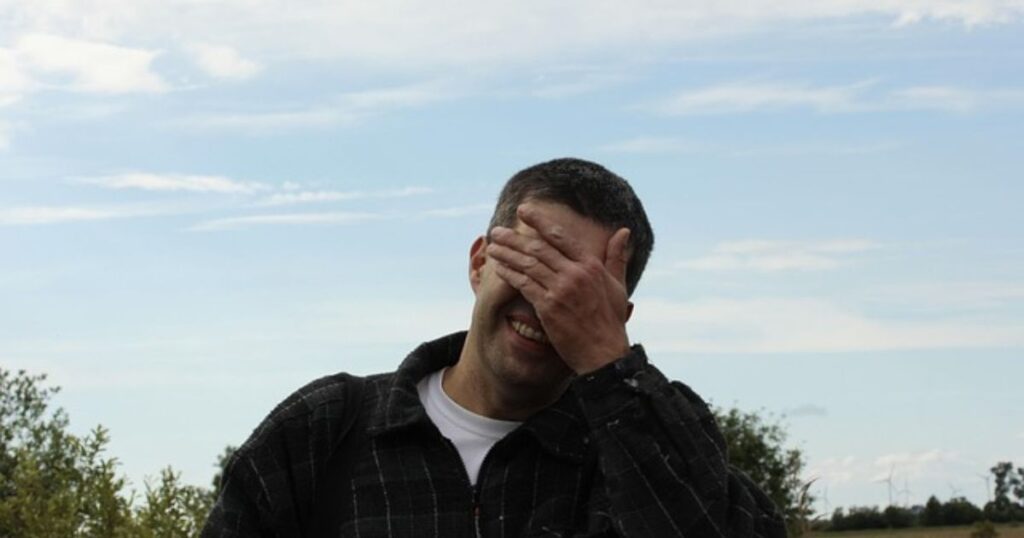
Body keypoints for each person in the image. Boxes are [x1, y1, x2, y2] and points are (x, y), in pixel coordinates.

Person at [201, 158, 787, 537]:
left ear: (618, 319)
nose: (547, 300)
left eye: (580, 290)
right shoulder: (324, 430)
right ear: (480, 262)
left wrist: (611, 367)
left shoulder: (652, 447)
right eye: (530, 263)